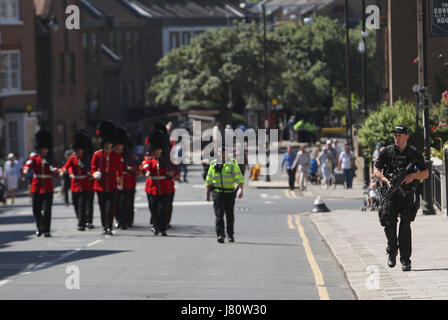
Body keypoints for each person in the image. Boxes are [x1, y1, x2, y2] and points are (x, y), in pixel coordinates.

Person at [373, 125, 428, 272]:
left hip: (407, 196)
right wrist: (386, 180)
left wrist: (412, 176)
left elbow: (425, 173)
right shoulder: (387, 152)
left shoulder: (414, 153)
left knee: (405, 228)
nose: (397, 138)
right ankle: (392, 250)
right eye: (395, 135)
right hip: (390, 195)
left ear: (407, 136)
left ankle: (405, 260)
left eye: (400, 135)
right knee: (389, 226)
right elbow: (376, 171)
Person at [22, 129, 59, 237]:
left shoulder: (51, 159)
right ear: (39, 148)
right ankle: (39, 227)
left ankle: (46, 230)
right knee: (36, 209)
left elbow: (56, 169)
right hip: (36, 186)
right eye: (42, 148)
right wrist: (25, 170)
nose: (44, 150)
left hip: (48, 187)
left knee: (47, 210)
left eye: (46, 148)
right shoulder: (34, 157)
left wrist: (56, 171)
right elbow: (27, 165)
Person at [205, 145, 244, 243]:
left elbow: (239, 178)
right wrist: (207, 193)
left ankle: (230, 235)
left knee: (230, 215)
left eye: (224, 151)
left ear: (227, 153)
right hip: (218, 193)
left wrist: (241, 190)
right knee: (219, 215)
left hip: (229, 193)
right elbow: (208, 180)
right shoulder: (213, 164)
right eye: (220, 151)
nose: (222, 153)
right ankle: (220, 235)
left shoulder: (232, 164)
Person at [91, 121, 123, 236]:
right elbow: (93, 168)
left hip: (112, 182)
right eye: (107, 143)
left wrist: (120, 182)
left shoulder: (116, 155)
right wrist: (95, 174)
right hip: (100, 183)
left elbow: (119, 170)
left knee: (110, 206)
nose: (108, 145)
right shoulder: (97, 155)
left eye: (110, 143)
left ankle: (108, 226)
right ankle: (104, 226)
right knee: (102, 206)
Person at [141, 127, 175, 236]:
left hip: (165, 186)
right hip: (152, 187)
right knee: (153, 208)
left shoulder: (167, 161)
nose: (157, 152)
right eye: (155, 150)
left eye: (158, 150)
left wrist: (171, 174)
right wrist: (146, 171)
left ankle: (162, 228)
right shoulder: (149, 160)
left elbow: (174, 171)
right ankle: (155, 226)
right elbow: (143, 167)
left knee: (163, 209)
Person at [60, 131, 93, 231]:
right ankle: (80, 219)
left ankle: (81, 224)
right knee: (75, 204)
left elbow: (90, 169)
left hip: (85, 184)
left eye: (80, 149)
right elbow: (66, 166)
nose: (78, 151)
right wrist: (63, 171)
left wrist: (89, 173)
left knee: (82, 204)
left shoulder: (87, 158)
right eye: (77, 149)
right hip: (75, 185)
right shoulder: (72, 158)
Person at [115, 127, 138, 230]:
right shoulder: (112, 155)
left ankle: (127, 220)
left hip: (127, 182)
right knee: (117, 202)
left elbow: (135, 168)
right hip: (115, 181)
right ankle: (119, 220)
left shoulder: (128, 156)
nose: (118, 147)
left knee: (127, 202)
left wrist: (130, 168)